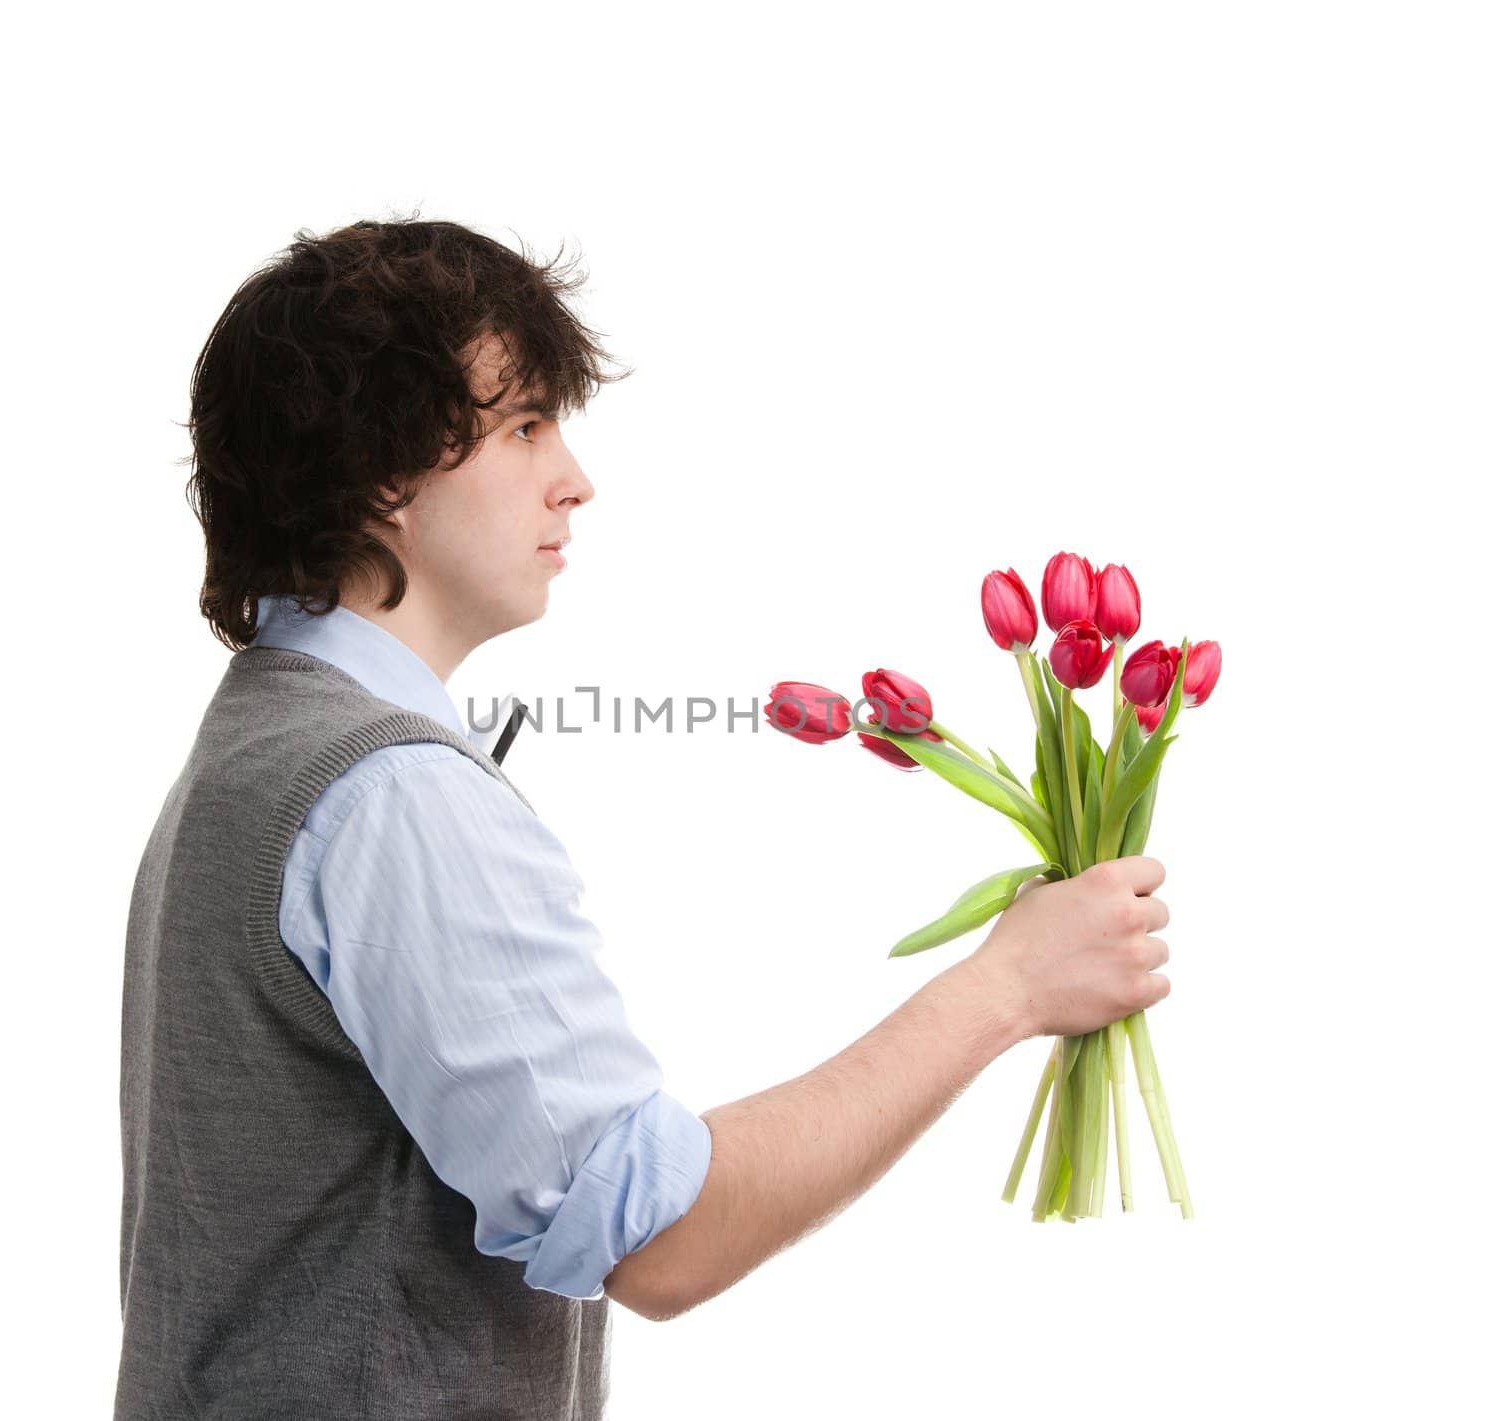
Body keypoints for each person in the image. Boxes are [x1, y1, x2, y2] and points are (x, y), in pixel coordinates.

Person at [116, 217, 1173, 1419]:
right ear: (380, 478)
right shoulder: (388, 792)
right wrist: (1007, 988)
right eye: (523, 426)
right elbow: (661, 1238)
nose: (574, 476)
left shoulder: (262, 739)